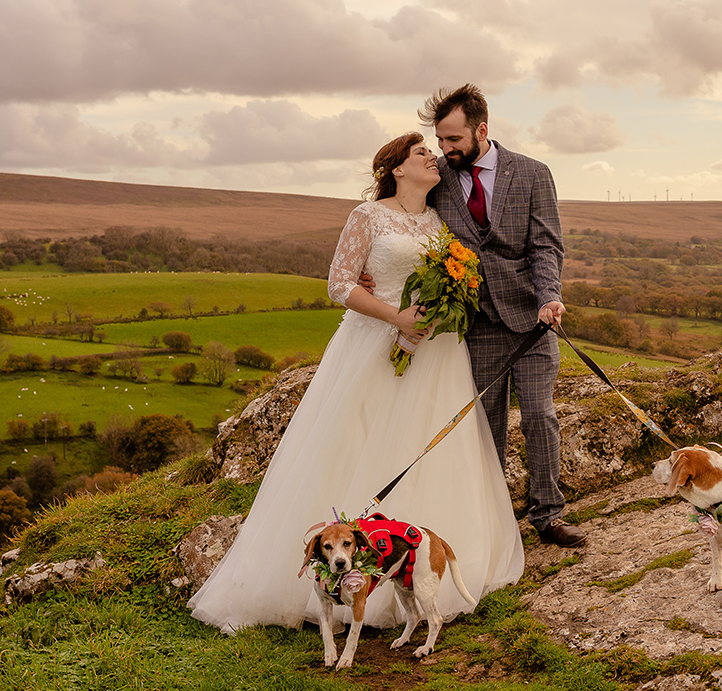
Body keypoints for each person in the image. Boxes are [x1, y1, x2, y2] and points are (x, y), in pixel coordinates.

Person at [187, 133, 525, 633]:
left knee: (428, 444)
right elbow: (339, 283)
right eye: (422, 154)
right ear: (396, 169)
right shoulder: (366, 216)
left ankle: (422, 564)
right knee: (358, 441)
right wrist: (396, 317)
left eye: (433, 153)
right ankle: (344, 568)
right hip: (374, 344)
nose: (433, 158)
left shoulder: (438, 219)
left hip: (437, 353)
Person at [422, 84, 585, 548]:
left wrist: (549, 297)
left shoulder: (533, 173)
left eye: (453, 140)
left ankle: (548, 515)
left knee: (538, 415)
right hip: (475, 325)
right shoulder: (437, 177)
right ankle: (493, 523)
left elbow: (546, 245)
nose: (444, 150)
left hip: (534, 319)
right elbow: (402, 221)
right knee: (485, 426)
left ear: (482, 130)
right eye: (440, 140)